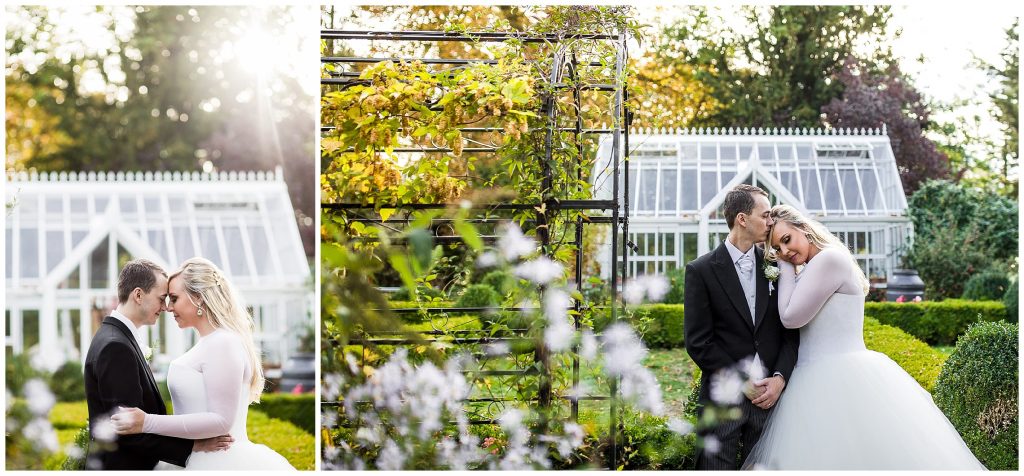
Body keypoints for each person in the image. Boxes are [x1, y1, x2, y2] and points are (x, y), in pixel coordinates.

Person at [742, 204, 985, 470]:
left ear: (804, 228)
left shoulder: (828, 260)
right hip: (812, 374)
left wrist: (784, 267)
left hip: (838, 374)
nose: (785, 252)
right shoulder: (814, 265)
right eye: (777, 249)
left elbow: (790, 318)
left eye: (786, 240)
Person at [110, 257, 295, 470]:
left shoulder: (223, 342)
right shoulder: (211, 342)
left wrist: (147, 422)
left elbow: (221, 420)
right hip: (193, 457)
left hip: (219, 462)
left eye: (174, 298)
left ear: (198, 297)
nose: (168, 308)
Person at [684, 184, 800, 470]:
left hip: (770, 400)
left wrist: (780, 378)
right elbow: (699, 342)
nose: (771, 222)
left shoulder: (778, 266)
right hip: (722, 400)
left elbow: (791, 333)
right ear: (742, 219)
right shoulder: (700, 271)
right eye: (766, 215)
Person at [84, 259, 232, 470]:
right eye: (162, 298)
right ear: (138, 295)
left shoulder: (116, 338)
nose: (166, 307)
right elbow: (126, 430)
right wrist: (194, 447)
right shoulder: (116, 346)